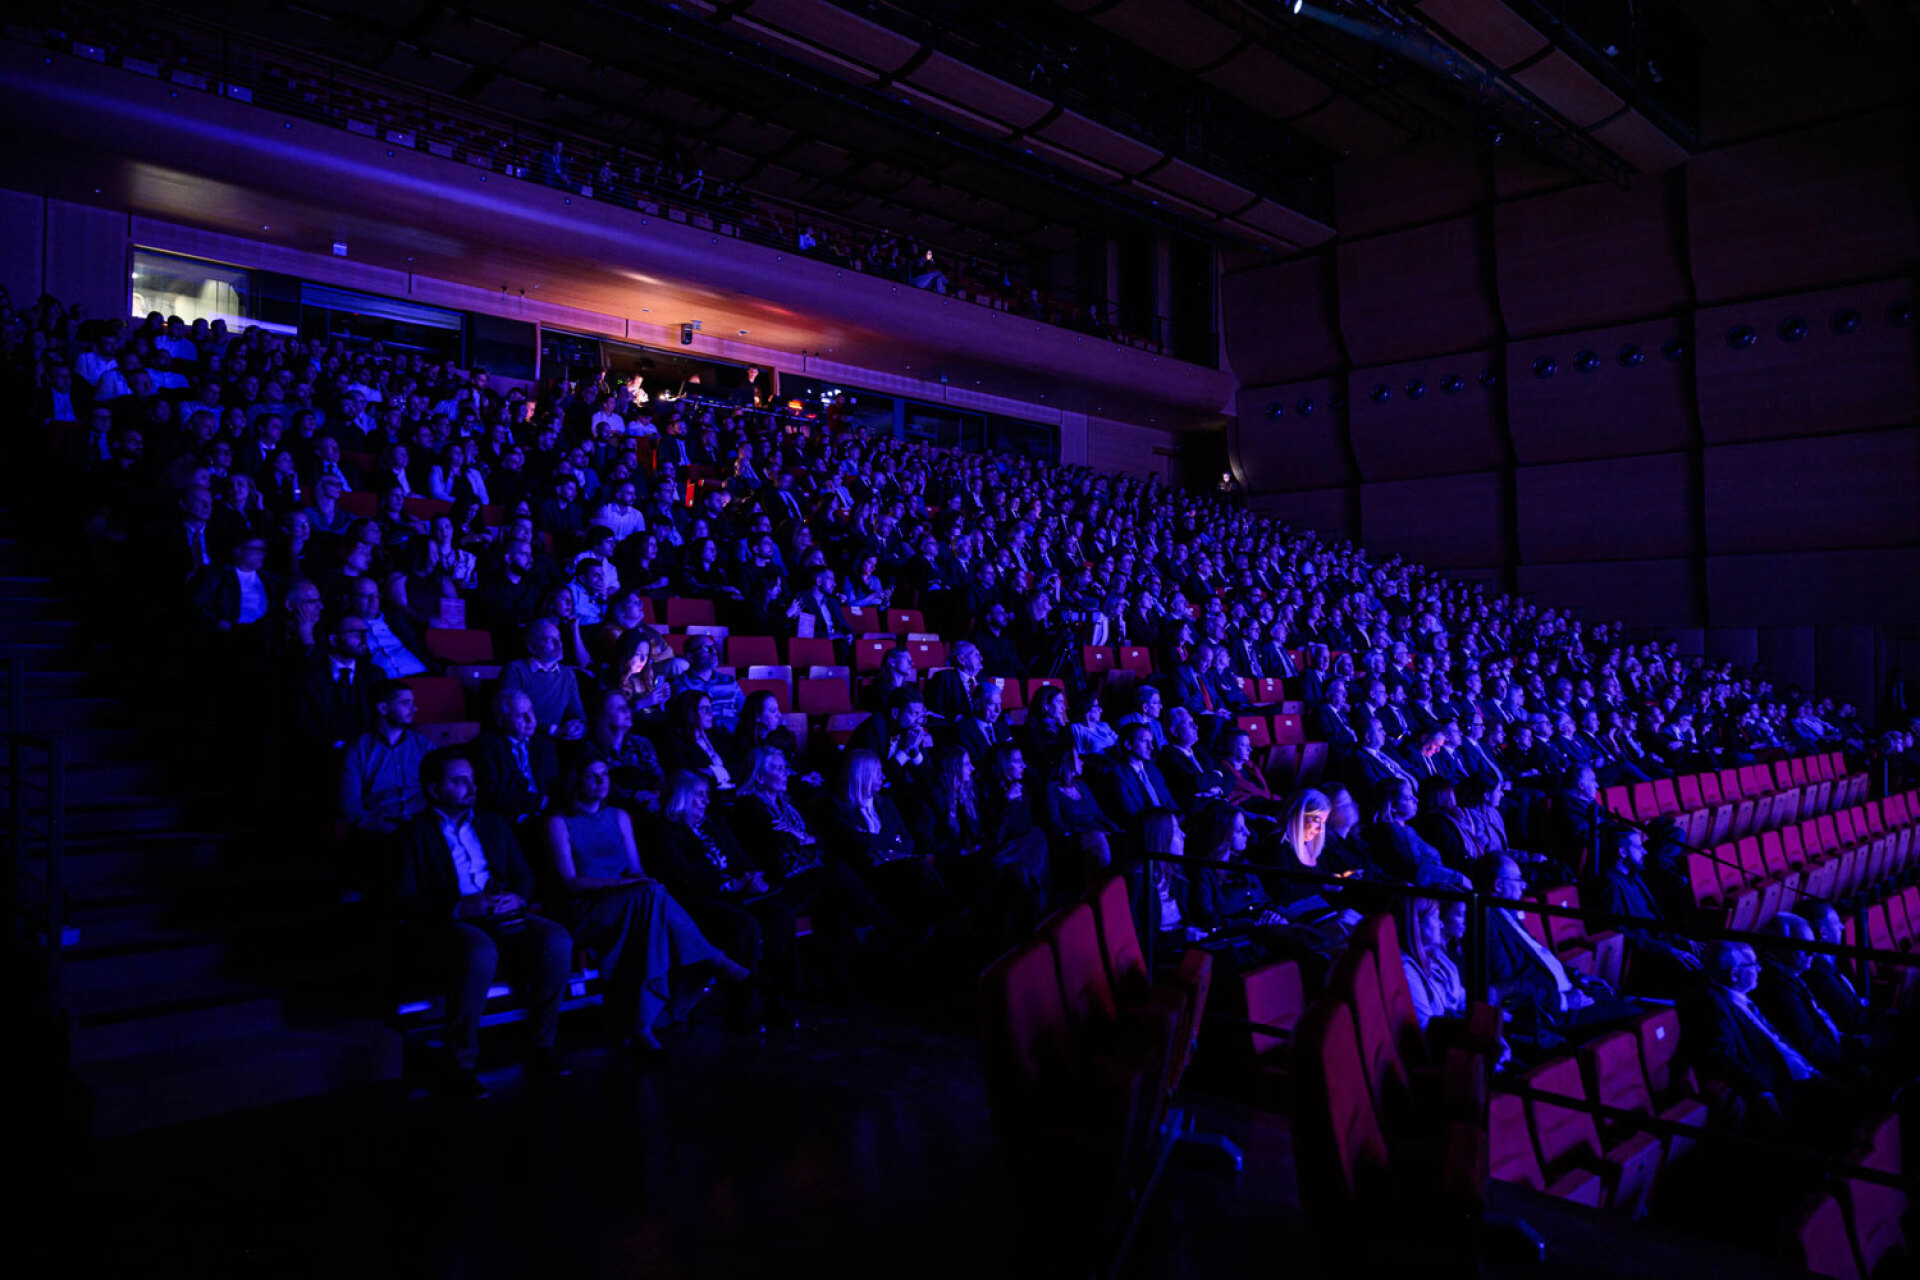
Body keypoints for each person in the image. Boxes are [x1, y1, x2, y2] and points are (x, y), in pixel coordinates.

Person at [393, 750, 573, 1097]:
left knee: (557, 939)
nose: (470, 786)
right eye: (459, 781)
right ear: (434, 789)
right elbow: (404, 899)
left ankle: (542, 1047)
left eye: (471, 779)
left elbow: (524, 876)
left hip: (503, 910)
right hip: (450, 921)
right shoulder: (411, 834)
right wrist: (461, 907)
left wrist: (517, 898)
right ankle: (460, 1061)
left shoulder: (493, 823)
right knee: (479, 949)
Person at [543, 758, 747, 1060]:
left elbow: (635, 870)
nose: (602, 782)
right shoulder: (558, 822)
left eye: (604, 775)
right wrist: (621, 887)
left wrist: (639, 885)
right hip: (587, 906)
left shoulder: (619, 816)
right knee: (650, 896)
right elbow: (571, 881)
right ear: (576, 781)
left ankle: (642, 1026)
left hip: (630, 901)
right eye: (592, 777)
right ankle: (712, 959)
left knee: (652, 895)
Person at [651, 770, 799, 1029]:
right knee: (744, 926)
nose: (705, 801)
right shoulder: (666, 829)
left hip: (737, 892)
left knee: (781, 914)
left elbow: (740, 856)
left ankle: (776, 996)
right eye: (699, 796)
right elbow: (682, 876)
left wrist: (753, 875)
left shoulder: (714, 822)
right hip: (697, 899)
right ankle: (745, 1008)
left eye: (706, 795)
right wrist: (729, 883)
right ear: (682, 797)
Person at [820, 750, 947, 938]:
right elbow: (858, 844)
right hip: (867, 877)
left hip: (894, 868)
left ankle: (935, 930)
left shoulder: (886, 802)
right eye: (877, 772)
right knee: (919, 869)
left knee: (918, 875)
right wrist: (891, 841)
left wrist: (875, 842)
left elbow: (909, 842)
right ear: (862, 775)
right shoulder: (837, 807)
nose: (883, 776)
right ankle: (947, 923)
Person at [338, 678, 431, 839]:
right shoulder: (358, 749)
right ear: (383, 708)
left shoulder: (424, 744)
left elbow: (439, 790)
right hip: (380, 831)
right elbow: (351, 808)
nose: (414, 708)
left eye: (413, 702)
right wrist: (391, 830)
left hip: (422, 827)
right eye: (406, 703)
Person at [470, 687, 559, 819]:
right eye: (519, 716)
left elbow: (553, 783)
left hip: (547, 814)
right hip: (511, 818)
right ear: (501, 721)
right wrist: (538, 802)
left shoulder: (543, 743)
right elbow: (493, 792)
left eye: (530, 711)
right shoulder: (486, 746)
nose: (530, 720)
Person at [576, 688, 663, 812]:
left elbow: (658, 778)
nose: (626, 711)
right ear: (603, 716)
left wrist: (653, 795)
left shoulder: (641, 744)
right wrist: (635, 796)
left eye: (625, 706)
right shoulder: (591, 749)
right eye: (618, 708)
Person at [501, 617, 587, 738]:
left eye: (559, 638)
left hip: (560, 737)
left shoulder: (568, 674)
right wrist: (551, 729)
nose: (559, 644)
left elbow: (577, 713)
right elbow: (514, 716)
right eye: (551, 640)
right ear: (532, 647)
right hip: (527, 736)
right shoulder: (516, 670)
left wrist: (578, 727)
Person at [1397, 896, 1467, 1030]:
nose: (1441, 924)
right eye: (1436, 917)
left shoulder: (1436, 954)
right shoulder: (1407, 970)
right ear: (1418, 923)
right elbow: (1426, 1027)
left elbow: (1461, 996)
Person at [656, 689, 737, 791]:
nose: (711, 714)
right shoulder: (675, 742)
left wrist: (715, 772)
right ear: (690, 711)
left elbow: (738, 766)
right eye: (706, 709)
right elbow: (688, 775)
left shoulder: (719, 737)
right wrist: (720, 773)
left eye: (711, 709)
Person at [670, 633, 746, 733]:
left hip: (735, 735)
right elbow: (686, 721)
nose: (714, 651)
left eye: (714, 646)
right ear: (691, 657)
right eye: (706, 648)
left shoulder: (729, 681)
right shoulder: (681, 684)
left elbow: (746, 712)